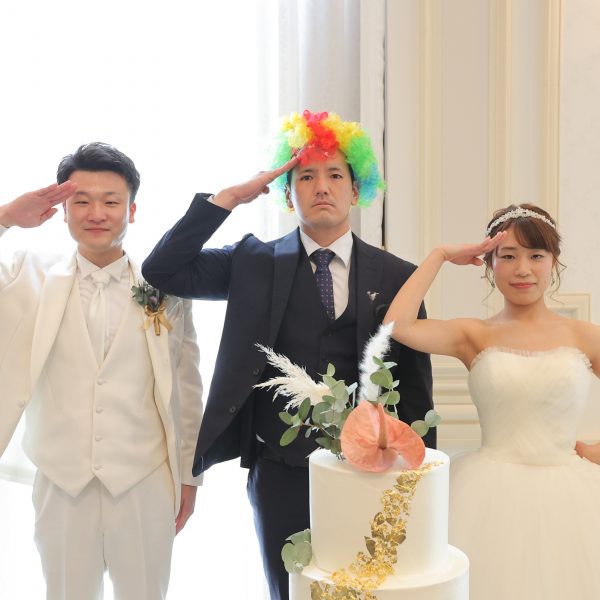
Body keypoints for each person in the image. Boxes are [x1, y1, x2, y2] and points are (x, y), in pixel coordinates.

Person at [142, 110, 434, 600]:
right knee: (289, 592)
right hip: (278, 469)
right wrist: (229, 199)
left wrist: (421, 480)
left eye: (335, 174)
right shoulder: (252, 261)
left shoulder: (397, 275)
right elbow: (162, 270)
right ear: (286, 192)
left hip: (375, 471)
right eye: (306, 176)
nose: (321, 186)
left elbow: (416, 384)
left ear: (356, 188)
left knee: (372, 591)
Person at [0, 143, 203, 600]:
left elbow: (187, 386)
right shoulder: (28, 274)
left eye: (111, 201)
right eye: (82, 201)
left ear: (132, 210)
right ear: (63, 210)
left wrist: (190, 474)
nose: (96, 214)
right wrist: (6, 217)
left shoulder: (164, 285)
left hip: (145, 477)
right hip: (60, 477)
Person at [383, 203, 600, 599]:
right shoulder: (474, 334)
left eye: (536, 256)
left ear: (553, 262)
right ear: (489, 264)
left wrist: (594, 451)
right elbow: (397, 327)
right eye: (508, 256)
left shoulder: (585, 336)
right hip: (487, 495)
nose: (523, 269)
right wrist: (440, 255)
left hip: (571, 497)